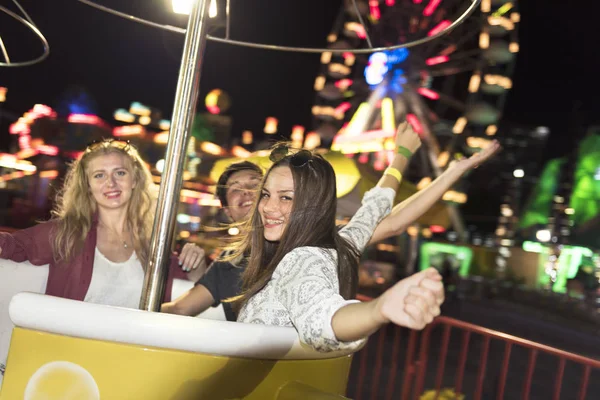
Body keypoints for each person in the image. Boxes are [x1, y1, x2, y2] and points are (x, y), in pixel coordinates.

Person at [162, 125, 500, 322]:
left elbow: (386, 216)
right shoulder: (228, 265)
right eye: (237, 192)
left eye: (258, 186)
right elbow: (180, 309)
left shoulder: (320, 247)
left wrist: (446, 169)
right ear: (226, 209)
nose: (252, 196)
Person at [232, 123, 499, 352]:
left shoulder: (303, 258)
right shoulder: (336, 246)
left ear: (313, 206)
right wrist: (411, 158)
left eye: (286, 197)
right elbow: (381, 213)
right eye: (266, 195)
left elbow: (326, 318)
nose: (267, 207)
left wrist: (378, 309)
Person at [0, 139, 205, 308]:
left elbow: (196, 284)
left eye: (120, 173)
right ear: (88, 186)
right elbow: (12, 245)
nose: (111, 183)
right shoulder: (67, 233)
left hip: (132, 354)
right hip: (70, 353)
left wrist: (196, 260)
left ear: (135, 180)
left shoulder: (153, 247)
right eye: (99, 175)